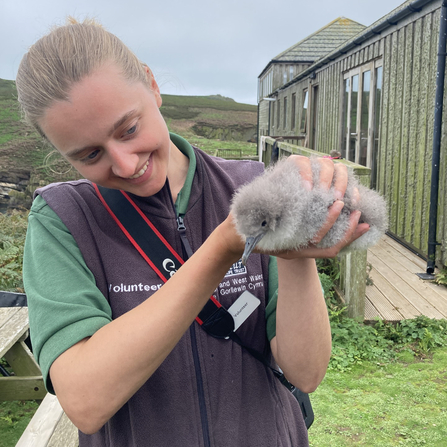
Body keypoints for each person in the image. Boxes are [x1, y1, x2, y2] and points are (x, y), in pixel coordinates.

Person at [17, 18, 369, 447]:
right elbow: (87, 401)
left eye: (129, 129)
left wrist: (297, 253)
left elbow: (306, 372)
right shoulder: (62, 218)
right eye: (90, 155)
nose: (126, 165)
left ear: (151, 85)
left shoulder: (253, 186)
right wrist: (223, 245)